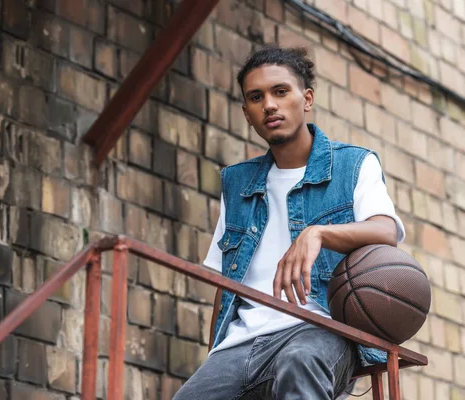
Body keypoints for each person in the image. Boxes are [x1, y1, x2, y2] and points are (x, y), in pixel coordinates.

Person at [173, 45, 405, 400]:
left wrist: (319, 234)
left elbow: (386, 230)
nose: (269, 104)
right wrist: (212, 361)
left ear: (306, 98)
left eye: (280, 91)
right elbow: (226, 286)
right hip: (241, 342)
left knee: (300, 362)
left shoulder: (353, 165)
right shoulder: (237, 183)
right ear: (247, 114)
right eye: (256, 97)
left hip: (320, 331)